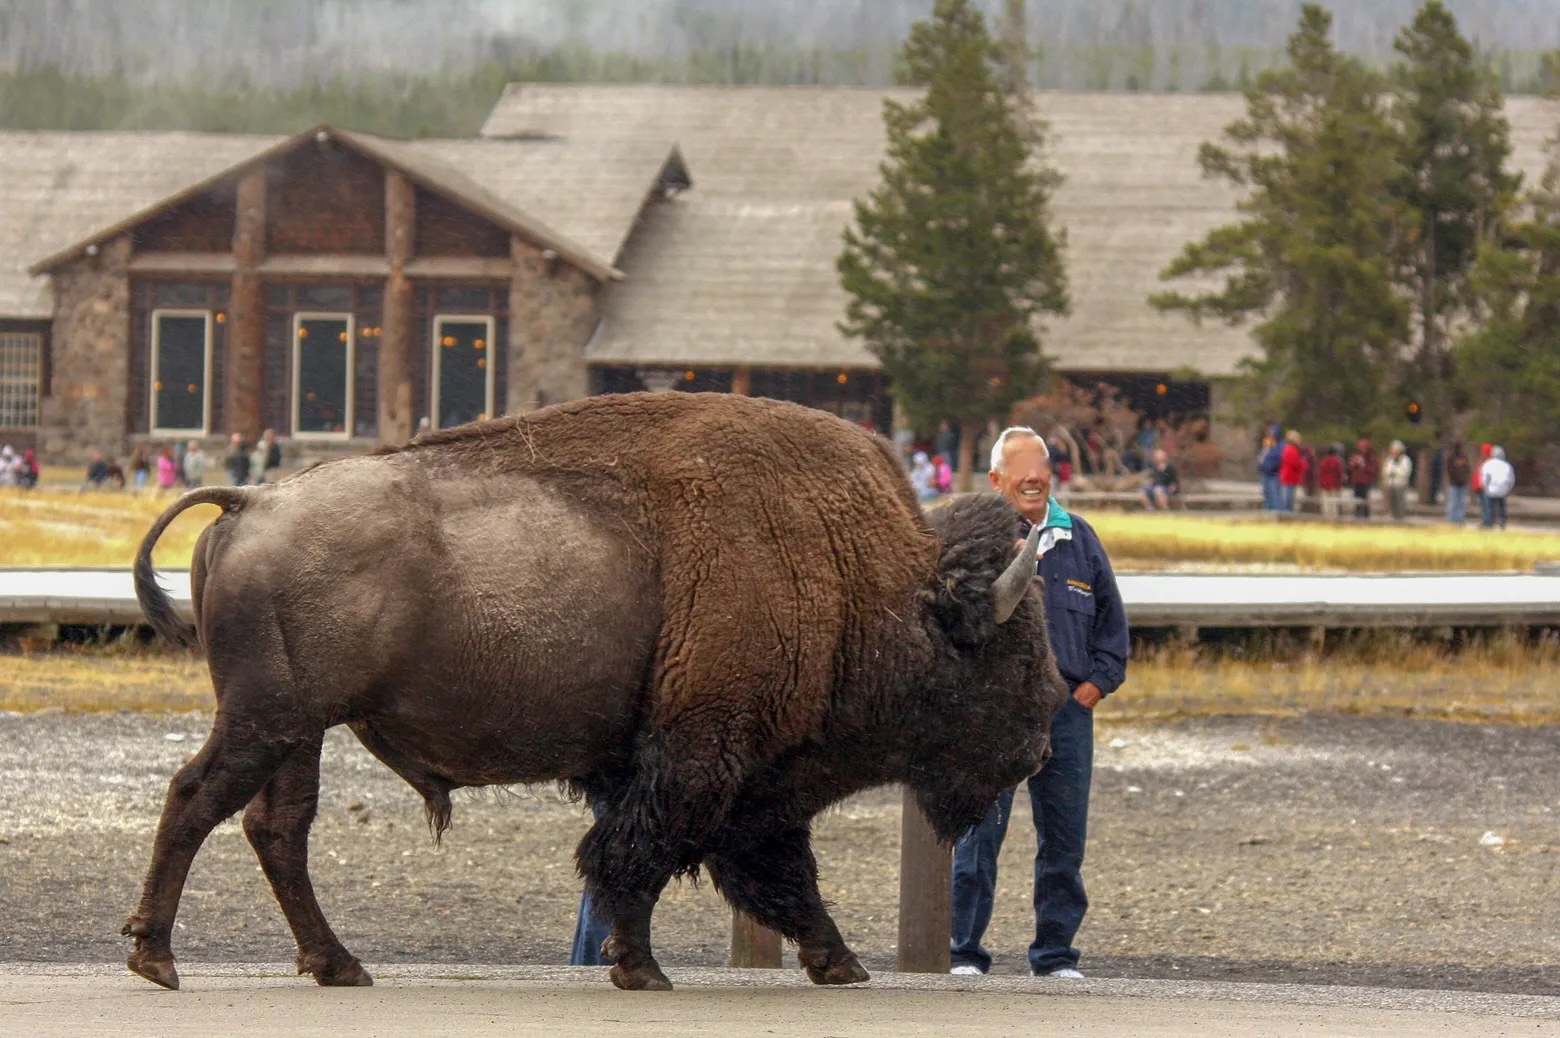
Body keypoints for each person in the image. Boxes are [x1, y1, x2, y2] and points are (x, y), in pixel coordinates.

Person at [949, 426, 1129, 979]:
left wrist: (1094, 685)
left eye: (1041, 467)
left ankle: (1054, 957)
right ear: (996, 479)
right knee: (978, 835)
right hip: (997, 710)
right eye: (1020, 468)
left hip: (1068, 711)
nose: (1033, 477)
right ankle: (962, 953)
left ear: (1052, 475)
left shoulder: (1080, 537)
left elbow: (1113, 628)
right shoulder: (972, 539)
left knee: (1064, 839)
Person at [1480, 446, 1515, 530]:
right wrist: (1508, 488)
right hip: (1503, 489)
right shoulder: (1507, 465)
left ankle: (1490, 522)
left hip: (1491, 489)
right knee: (1502, 506)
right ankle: (1502, 521)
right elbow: (1511, 479)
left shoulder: (1487, 464)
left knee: (1490, 507)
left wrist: (1485, 487)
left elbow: (1485, 477)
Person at [1381, 440, 1413, 521]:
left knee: (1400, 502)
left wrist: (1394, 472)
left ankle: (1400, 517)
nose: (1394, 451)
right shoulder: (1389, 459)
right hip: (1391, 484)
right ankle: (1393, 516)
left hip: (1400, 484)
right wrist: (1391, 472)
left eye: (1396, 450)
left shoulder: (1405, 460)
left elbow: (1405, 472)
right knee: (1392, 502)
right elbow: (1386, 470)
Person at [1278, 430, 1307, 513]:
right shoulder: (1291, 449)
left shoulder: (1288, 448)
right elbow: (1295, 463)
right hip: (1289, 477)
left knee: (1288, 497)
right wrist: (1304, 464)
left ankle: (1287, 512)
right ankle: (1286, 514)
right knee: (1288, 498)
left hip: (1289, 476)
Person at [1347, 439, 1377, 520]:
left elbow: (1373, 470)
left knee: (1365, 500)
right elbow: (1350, 467)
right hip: (1357, 481)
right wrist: (1355, 464)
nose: (1361, 450)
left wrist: (1365, 466)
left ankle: (1366, 516)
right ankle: (1357, 515)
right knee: (1356, 500)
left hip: (1365, 482)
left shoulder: (1371, 458)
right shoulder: (1356, 456)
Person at [1317, 444, 1345, 521]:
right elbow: (1340, 473)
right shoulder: (1337, 461)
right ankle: (1333, 516)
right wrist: (1340, 484)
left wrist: (1320, 483)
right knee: (1333, 501)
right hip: (1334, 484)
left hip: (1324, 483)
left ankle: (1325, 516)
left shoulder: (1323, 460)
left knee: (1325, 501)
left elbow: (1320, 472)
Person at [1444, 443, 1471, 525]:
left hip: (1463, 484)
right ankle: (1452, 519)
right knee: (1453, 502)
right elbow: (1450, 470)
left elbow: (1467, 469)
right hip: (1454, 483)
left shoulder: (1464, 457)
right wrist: (1456, 479)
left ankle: (1460, 519)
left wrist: (1465, 479)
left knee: (1462, 503)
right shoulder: (1451, 458)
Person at [1257, 434, 1282, 511]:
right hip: (1264, 473)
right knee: (1266, 492)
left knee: (1273, 493)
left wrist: (1271, 468)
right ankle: (1268, 508)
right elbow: (1260, 461)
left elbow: (1277, 461)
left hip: (1272, 474)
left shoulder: (1276, 450)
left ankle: (1274, 509)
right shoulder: (1264, 450)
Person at [1474, 442, 1494, 527]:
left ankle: (1488, 521)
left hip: (1486, 487)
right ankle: (1485, 520)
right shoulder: (1481, 461)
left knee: (1487, 505)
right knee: (1483, 505)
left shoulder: (1490, 463)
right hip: (1480, 486)